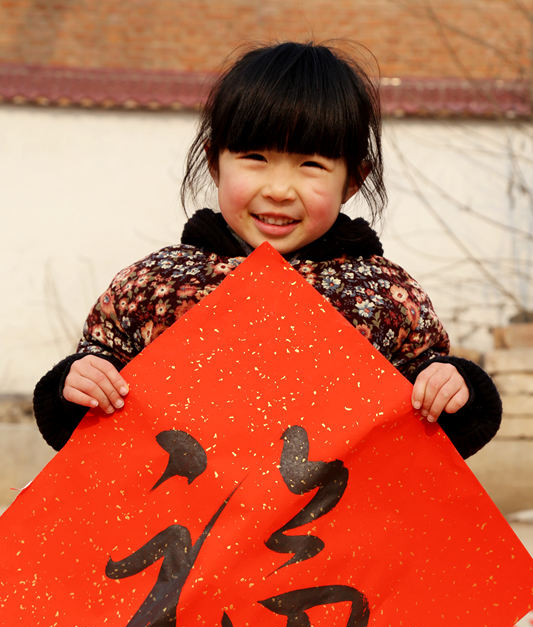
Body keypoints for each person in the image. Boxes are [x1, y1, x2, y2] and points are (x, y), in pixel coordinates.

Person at [33, 41, 501, 457]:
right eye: (255, 158)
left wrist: (454, 389)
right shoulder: (155, 285)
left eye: (311, 164)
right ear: (216, 162)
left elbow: (439, 424)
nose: (279, 189)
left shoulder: (385, 297)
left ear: (353, 181)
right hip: (186, 537)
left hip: (329, 539)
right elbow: (87, 406)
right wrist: (76, 382)